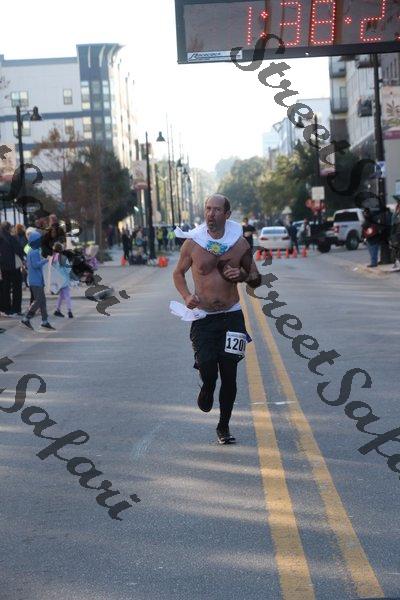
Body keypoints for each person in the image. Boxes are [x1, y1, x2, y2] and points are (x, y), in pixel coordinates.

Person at [172, 194, 261, 444]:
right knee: (209, 369)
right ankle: (207, 386)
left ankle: (224, 427)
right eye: (208, 209)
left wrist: (241, 275)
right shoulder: (193, 243)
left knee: (230, 374)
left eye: (216, 210)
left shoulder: (239, 244)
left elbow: (256, 278)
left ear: (227, 214)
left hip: (232, 317)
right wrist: (186, 295)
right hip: (203, 318)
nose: (211, 214)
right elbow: (178, 273)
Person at [21, 230, 55, 330]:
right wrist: (46, 260)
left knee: (42, 301)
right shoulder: (34, 252)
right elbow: (36, 265)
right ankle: (26, 318)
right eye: (39, 240)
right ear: (35, 241)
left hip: (35, 280)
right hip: (36, 281)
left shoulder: (31, 251)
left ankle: (45, 321)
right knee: (39, 301)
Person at [0, 221, 25, 316]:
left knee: (5, 288)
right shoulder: (12, 238)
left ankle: (6, 309)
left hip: (3, 267)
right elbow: (19, 250)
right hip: (14, 266)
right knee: (17, 288)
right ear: (9, 228)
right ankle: (16, 308)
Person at [53, 242, 73, 318]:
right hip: (64, 280)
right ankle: (69, 311)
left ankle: (57, 310)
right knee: (67, 295)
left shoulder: (53, 257)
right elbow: (68, 269)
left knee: (61, 296)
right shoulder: (63, 257)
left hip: (58, 280)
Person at [390, 195, 400, 271]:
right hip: (395, 228)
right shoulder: (397, 207)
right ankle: (396, 262)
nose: (397, 202)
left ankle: (397, 262)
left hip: (397, 228)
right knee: (395, 246)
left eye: (398, 200)